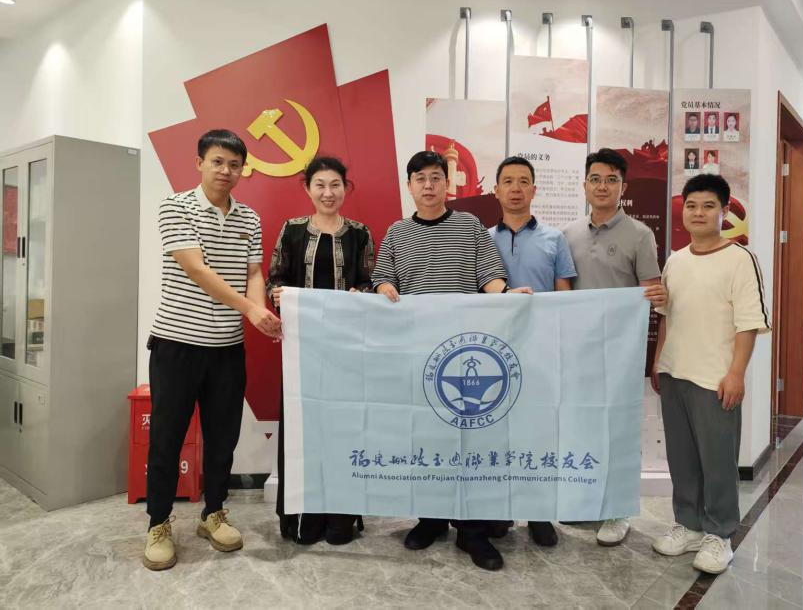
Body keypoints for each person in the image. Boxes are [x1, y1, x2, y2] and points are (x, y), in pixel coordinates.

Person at [372, 150, 531, 572]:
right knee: (425, 438)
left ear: (448, 183)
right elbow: (382, 278)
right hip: (418, 354)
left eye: (436, 177)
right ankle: (430, 518)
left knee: (471, 441)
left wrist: (505, 294)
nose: (428, 185)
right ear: (409, 185)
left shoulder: (469, 226)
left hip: (464, 353)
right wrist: (385, 287)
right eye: (420, 178)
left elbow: (489, 276)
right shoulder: (397, 233)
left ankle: (472, 530)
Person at [143, 129, 282, 571]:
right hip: (177, 344)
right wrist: (250, 309)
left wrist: (258, 312)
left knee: (223, 438)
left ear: (243, 169)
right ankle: (159, 523)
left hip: (227, 349)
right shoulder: (175, 206)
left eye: (234, 164)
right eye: (217, 161)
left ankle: (214, 513)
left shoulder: (249, 218)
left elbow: (254, 271)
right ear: (199, 162)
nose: (226, 171)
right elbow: (197, 270)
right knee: (167, 439)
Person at [651, 174, 769, 575]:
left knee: (718, 461)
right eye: (691, 206)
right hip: (675, 374)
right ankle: (688, 526)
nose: (698, 213)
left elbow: (748, 323)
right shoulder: (675, 260)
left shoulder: (740, 259)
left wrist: (736, 373)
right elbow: (666, 315)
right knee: (682, 459)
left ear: (724, 211)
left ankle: (720, 534)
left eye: (708, 206)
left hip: (715, 379)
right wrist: (659, 361)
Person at [266, 156, 375, 547]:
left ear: (345, 187)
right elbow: (274, 279)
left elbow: (370, 282)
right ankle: (301, 515)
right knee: (301, 427)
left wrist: (360, 294)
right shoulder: (293, 230)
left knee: (345, 427)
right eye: (320, 185)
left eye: (335, 185)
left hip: (347, 350)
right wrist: (278, 295)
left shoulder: (360, 234)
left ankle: (342, 514)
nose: (328, 193)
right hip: (302, 348)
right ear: (307, 188)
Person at [562, 148, 667, 547]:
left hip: (620, 353)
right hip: (577, 352)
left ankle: (617, 510)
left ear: (623, 187)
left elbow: (651, 293)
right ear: (585, 185)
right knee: (581, 426)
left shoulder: (640, 235)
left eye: (611, 180)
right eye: (595, 179)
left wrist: (658, 296)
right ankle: (586, 501)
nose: (602, 186)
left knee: (618, 430)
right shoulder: (568, 234)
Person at [487, 156, 576, 548]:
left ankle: (539, 513)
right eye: (508, 181)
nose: (516, 188)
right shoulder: (481, 239)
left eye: (524, 181)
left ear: (535, 190)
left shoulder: (555, 239)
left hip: (540, 350)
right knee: (496, 433)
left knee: (539, 433)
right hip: (494, 350)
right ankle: (499, 511)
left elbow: (564, 297)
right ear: (496, 190)